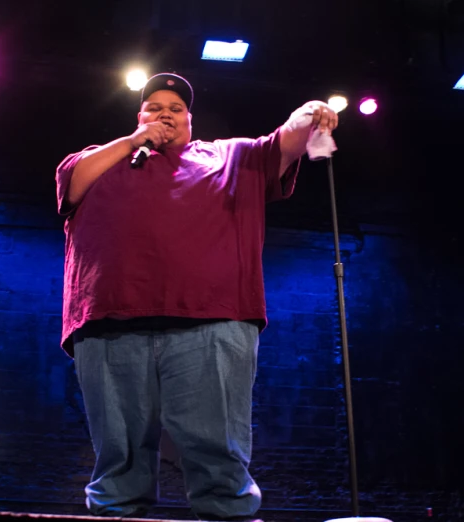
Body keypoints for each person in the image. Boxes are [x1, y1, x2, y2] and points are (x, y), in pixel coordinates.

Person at [55, 72, 338, 521]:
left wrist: (306, 117)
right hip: (110, 321)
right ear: (138, 115)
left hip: (212, 320)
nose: (165, 113)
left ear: (190, 120)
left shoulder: (228, 155)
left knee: (217, 451)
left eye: (176, 108)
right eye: (154, 107)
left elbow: (282, 143)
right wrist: (134, 141)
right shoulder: (98, 159)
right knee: (119, 455)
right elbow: (73, 185)